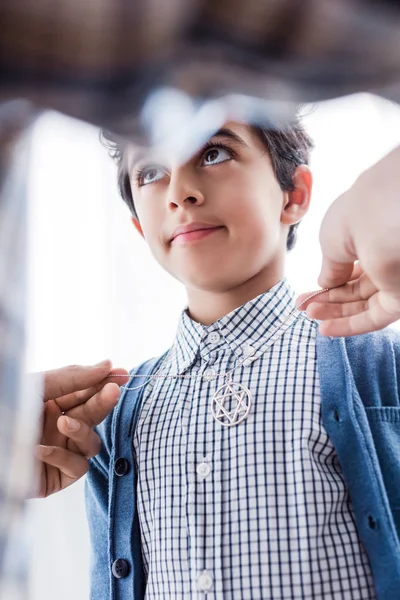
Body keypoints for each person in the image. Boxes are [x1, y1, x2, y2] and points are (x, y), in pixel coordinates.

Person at [37, 115, 400, 600]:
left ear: (293, 195)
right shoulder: (117, 414)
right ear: (138, 224)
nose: (179, 192)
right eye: (149, 172)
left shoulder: (376, 367)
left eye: (214, 153)